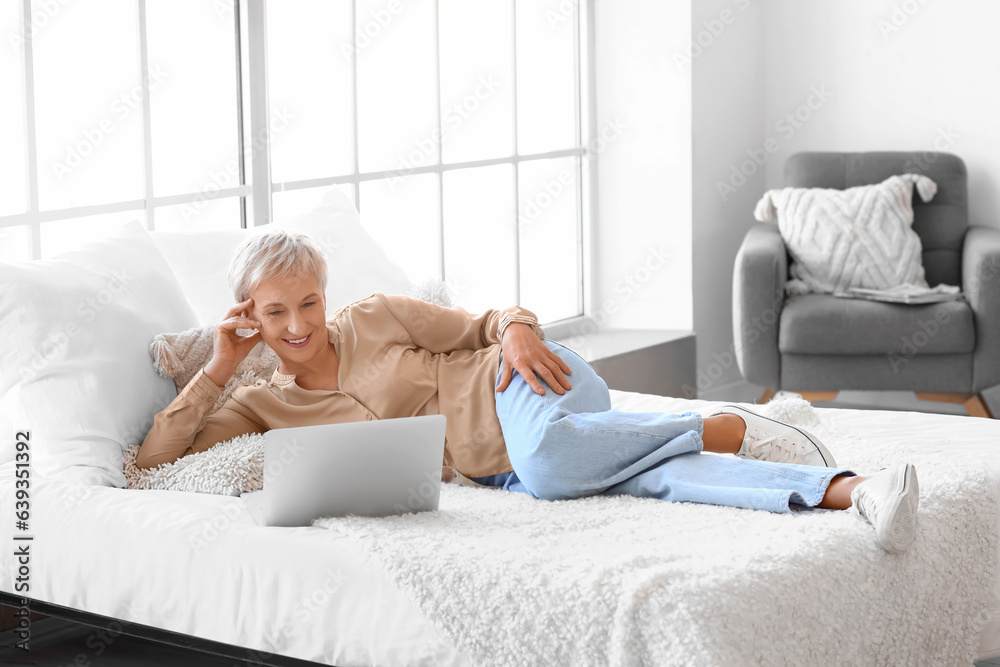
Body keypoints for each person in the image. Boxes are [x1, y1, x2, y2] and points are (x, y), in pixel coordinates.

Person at [136, 230, 920, 554]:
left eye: (308, 300)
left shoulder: (371, 318)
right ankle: (852, 490)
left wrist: (515, 330)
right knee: (652, 478)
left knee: (550, 463)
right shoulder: (262, 404)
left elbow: (491, 320)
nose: (301, 322)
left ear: (324, 292)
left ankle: (711, 423)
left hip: (533, 388)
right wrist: (217, 364)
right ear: (252, 318)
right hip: (514, 464)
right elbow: (155, 459)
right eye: (277, 312)